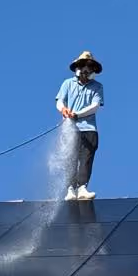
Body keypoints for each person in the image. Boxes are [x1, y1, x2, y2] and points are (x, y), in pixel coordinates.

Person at [55, 51, 104, 201]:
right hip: (70, 129)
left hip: (89, 129)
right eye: (83, 66)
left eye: (90, 67)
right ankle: (70, 189)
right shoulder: (67, 84)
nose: (86, 70)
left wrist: (78, 114)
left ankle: (82, 188)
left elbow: (95, 106)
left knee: (86, 158)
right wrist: (63, 110)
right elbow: (59, 101)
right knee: (70, 158)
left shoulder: (97, 86)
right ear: (78, 67)